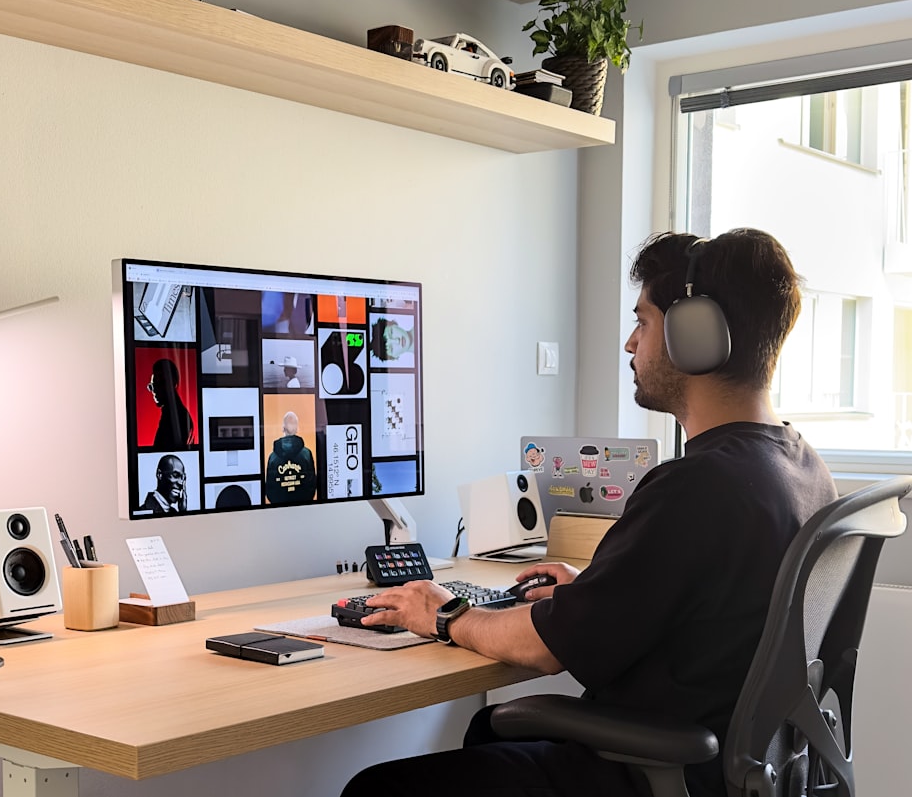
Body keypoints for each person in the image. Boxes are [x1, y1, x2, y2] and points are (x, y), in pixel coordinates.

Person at [341, 228, 838, 797]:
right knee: (490, 729)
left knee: (376, 789)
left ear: (693, 335)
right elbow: (718, 616)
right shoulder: (804, 468)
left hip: (652, 775)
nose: (630, 343)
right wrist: (595, 592)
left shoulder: (696, 485)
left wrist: (444, 613)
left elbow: (542, 650)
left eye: (643, 322)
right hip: (736, 769)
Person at [265, 411, 317, 503]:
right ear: (297, 428)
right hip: (304, 507)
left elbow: (270, 489)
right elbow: (312, 485)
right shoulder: (307, 454)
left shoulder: (273, 457)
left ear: (283, 428)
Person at [148, 358, 194, 451]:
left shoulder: (177, 417)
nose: (154, 390)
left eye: (161, 383)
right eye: (152, 386)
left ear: (173, 383)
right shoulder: (173, 414)